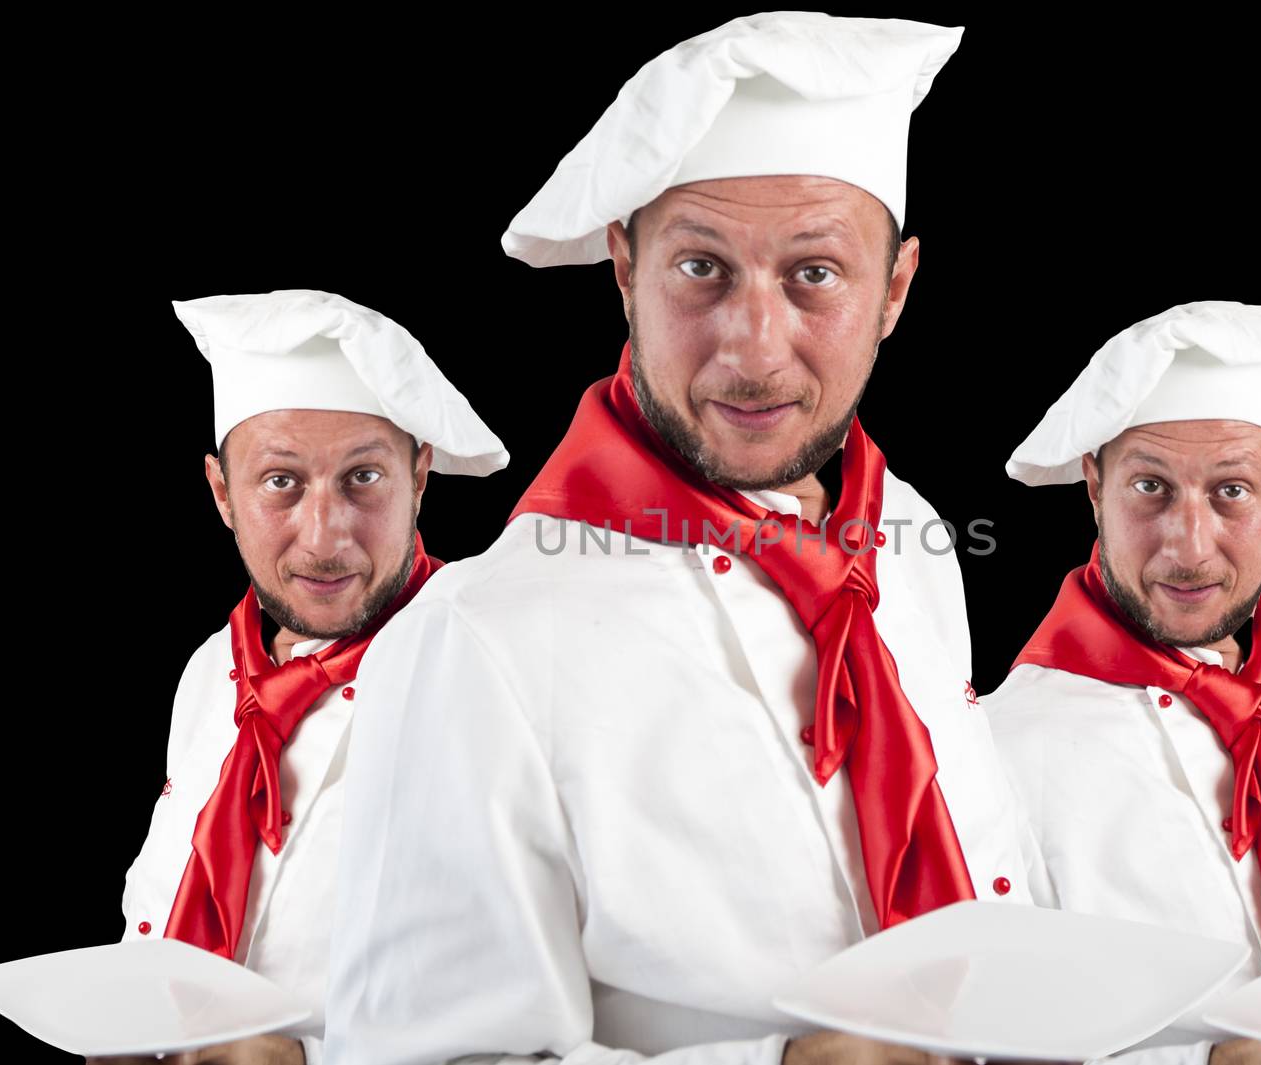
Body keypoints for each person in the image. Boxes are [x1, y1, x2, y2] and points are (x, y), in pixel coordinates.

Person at [323, 13, 1030, 1065]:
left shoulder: (912, 537)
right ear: (623, 265)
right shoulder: (478, 641)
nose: (753, 349)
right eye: (701, 269)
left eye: (814, 275)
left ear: (895, 290)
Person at [982, 301, 1261, 1065]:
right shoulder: (1000, 749)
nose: (1188, 545)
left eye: (1232, 491)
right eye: (1150, 487)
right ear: (1093, 487)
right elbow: (978, 1040)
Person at [107, 289, 506, 1065]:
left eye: (363, 478)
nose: (324, 538)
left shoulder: (497, 669)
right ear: (223, 493)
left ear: (421, 472)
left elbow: (585, 1011)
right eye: (281, 483)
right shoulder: (212, 673)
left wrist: (304, 1061)